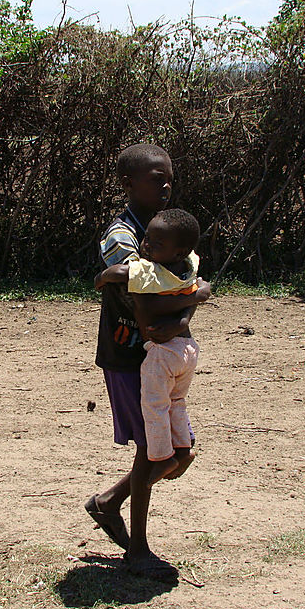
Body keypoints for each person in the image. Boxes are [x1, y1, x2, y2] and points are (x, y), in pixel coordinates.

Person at [85, 143, 210, 581]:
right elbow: (145, 290)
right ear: (128, 184)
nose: (165, 183)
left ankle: (109, 502)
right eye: (155, 177)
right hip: (129, 355)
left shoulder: (166, 229)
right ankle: (137, 550)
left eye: (169, 176)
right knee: (149, 453)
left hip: (163, 355)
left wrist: (185, 312)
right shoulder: (121, 235)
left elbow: (182, 286)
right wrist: (189, 301)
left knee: (178, 455)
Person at [94, 208, 201, 487]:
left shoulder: (150, 271)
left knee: (155, 406)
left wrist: (102, 278)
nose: (147, 245)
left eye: (156, 243)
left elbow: (119, 272)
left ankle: (163, 456)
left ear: (176, 251)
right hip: (187, 348)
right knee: (176, 401)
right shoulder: (188, 265)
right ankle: (183, 447)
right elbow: (203, 288)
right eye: (147, 240)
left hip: (162, 353)